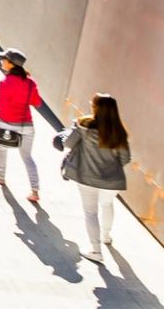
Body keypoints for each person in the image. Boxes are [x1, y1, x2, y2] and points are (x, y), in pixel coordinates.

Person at [56, 93, 132, 261]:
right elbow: (126, 158)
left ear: (95, 107)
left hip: (87, 177)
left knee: (90, 212)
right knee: (107, 204)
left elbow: (68, 143)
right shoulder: (119, 132)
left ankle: (96, 251)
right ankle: (106, 236)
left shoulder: (83, 125)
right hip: (113, 180)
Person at [0, 47, 44, 203]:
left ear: (11, 64)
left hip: (7, 123)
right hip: (27, 124)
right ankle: (35, 191)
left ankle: (1, 176)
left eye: (4, 59)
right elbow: (37, 103)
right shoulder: (30, 82)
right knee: (27, 157)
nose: (1, 61)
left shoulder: (5, 82)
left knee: (2, 149)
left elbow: (2, 106)